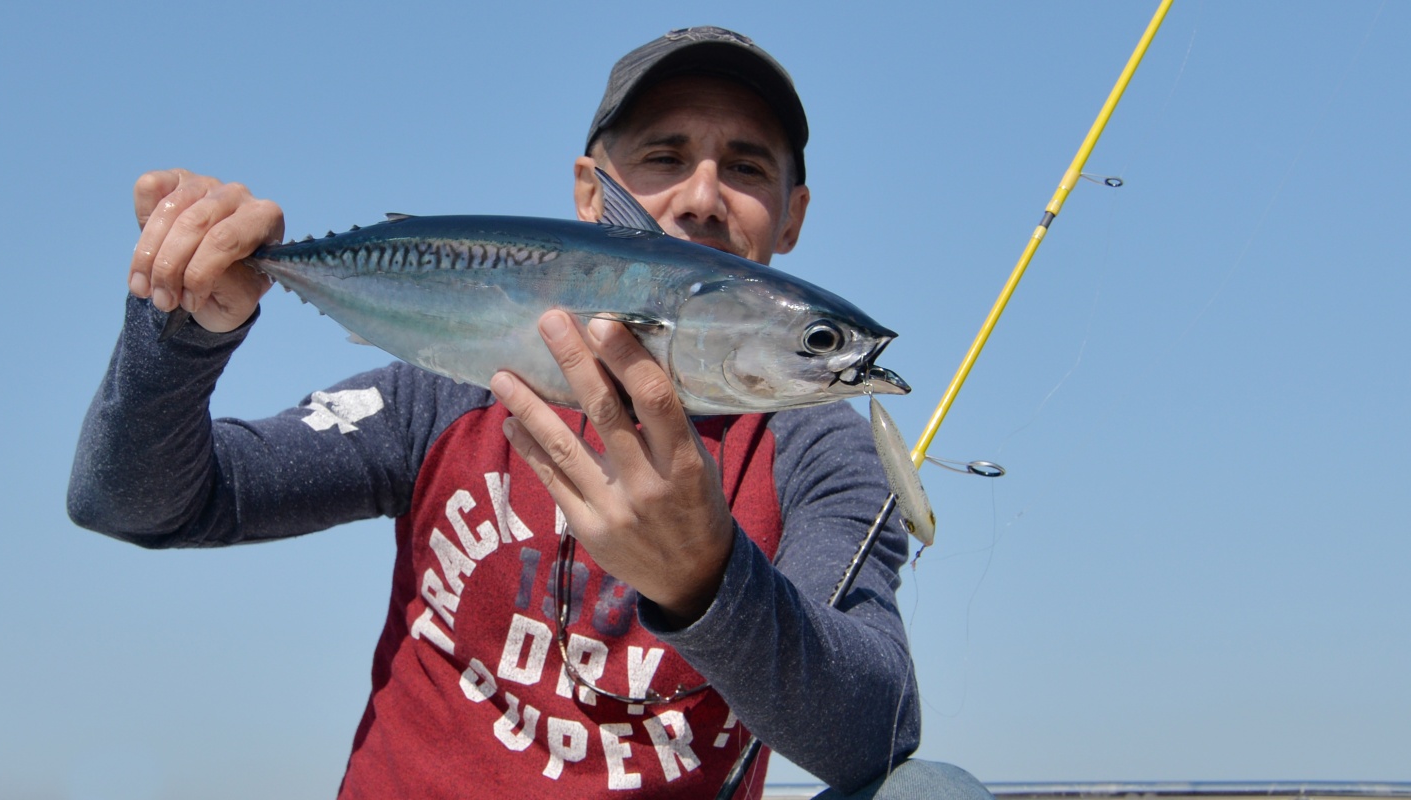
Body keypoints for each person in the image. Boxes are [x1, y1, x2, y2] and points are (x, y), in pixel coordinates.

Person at [69, 25, 992, 800]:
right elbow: (142, 501)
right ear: (594, 194)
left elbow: (875, 730)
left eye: (745, 168)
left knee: (931, 792)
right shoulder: (450, 389)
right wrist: (178, 333)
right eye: (665, 157)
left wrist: (706, 580)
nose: (704, 197)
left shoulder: (813, 444)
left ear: (791, 219)